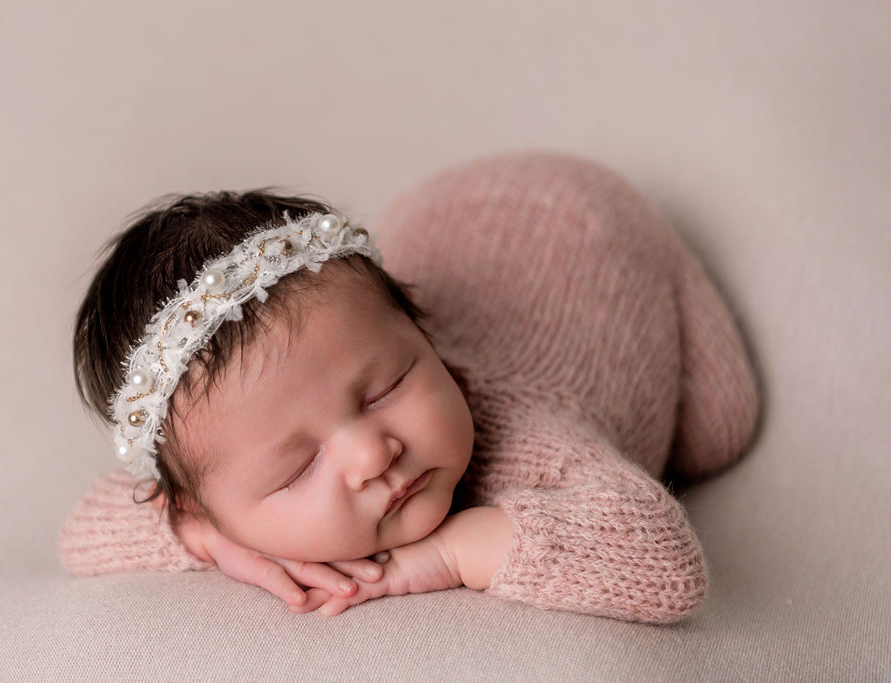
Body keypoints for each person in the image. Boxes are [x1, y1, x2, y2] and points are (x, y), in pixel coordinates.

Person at [60, 152, 759, 624]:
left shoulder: (518, 431)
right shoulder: (210, 482)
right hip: (446, 213)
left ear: (426, 339)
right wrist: (211, 538)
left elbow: (663, 560)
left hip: (600, 227)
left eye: (387, 386)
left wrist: (454, 550)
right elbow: (81, 531)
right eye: (299, 465)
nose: (372, 454)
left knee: (722, 424)